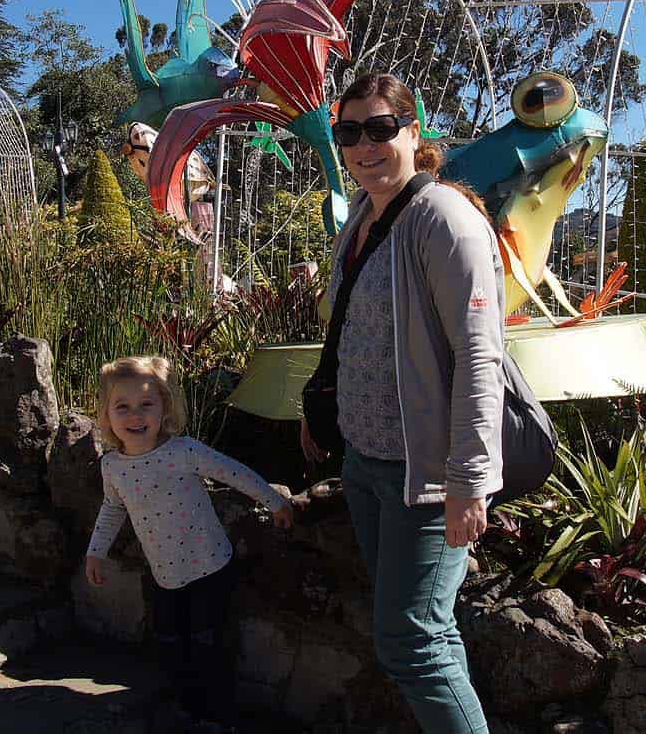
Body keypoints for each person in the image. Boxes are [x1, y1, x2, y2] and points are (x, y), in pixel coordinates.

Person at [302, 73, 503, 734]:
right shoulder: (362, 216)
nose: (365, 145)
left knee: (413, 639)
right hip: (367, 461)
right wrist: (321, 408)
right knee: (418, 634)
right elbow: (350, 326)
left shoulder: (443, 219)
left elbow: (481, 356)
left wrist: (470, 480)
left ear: (415, 133)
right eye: (350, 132)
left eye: (381, 128)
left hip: (426, 473)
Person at [85, 355, 293, 730]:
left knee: (207, 643)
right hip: (164, 573)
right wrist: (95, 552)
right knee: (169, 641)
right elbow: (112, 507)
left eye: (146, 404)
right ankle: (186, 707)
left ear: (164, 407)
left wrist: (274, 501)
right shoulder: (112, 466)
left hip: (209, 565)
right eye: (123, 407)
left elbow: (234, 473)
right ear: (107, 415)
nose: (135, 416)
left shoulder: (183, 452)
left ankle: (220, 715)